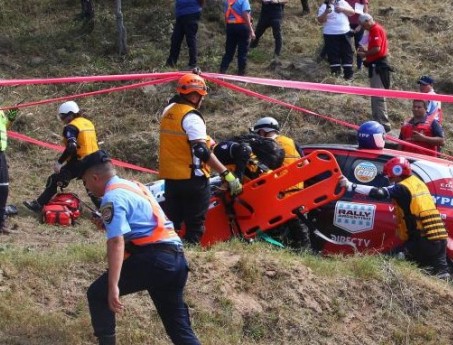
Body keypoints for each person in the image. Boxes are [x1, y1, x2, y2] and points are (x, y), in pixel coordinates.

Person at [80, 150, 200, 345]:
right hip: (176, 259)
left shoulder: (112, 198)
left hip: (154, 259)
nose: (87, 188)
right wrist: (107, 224)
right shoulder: (135, 186)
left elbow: (116, 242)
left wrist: (113, 286)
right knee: (179, 329)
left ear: (95, 177)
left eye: (85, 182)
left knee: (98, 294)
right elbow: (143, 226)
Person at [159, 73, 243, 245]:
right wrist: (226, 174)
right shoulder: (192, 117)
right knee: (194, 228)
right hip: (193, 180)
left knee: (172, 225)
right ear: (195, 95)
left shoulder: (169, 111)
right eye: (201, 96)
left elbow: (185, 137)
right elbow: (201, 151)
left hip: (171, 179)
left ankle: (169, 256)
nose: (202, 100)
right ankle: (190, 260)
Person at [340, 156, 449, 278]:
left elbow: (379, 193)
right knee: (441, 274)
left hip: (421, 241)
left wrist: (351, 186)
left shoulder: (402, 187)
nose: (389, 179)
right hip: (438, 237)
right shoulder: (419, 183)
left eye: (390, 176)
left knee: (392, 263)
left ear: (397, 172)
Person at [24, 101, 101, 212]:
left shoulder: (71, 127)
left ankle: (38, 205)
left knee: (54, 179)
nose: (62, 120)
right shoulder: (88, 123)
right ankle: (104, 212)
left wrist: (60, 162)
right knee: (92, 188)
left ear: (70, 114)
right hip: (96, 159)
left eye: (62, 117)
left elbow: (72, 146)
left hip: (80, 161)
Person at [252, 116, 311, 249]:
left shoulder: (264, 146)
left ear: (262, 131)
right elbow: (306, 164)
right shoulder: (292, 142)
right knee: (302, 239)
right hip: (299, 197)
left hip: (278, 199)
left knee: (276, 239)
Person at [357, 13, 391, 132]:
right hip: (375, 65)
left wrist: (365, 54)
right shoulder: (372, 30)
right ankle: (377, 121)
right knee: (375, 95)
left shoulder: (376, 30)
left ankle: (383, 124)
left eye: (363, 24)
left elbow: (377, 49)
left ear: (367, 21)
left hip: (378, 67)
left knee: (378, 96)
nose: (363, 27)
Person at [316, 0, 356, 80]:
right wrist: (326, 12)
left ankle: (348, 75)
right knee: (333, 54)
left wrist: (343, 9)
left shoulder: (342, 2)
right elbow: (320, 20)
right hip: (330, 34)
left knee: (347, 53)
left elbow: (352, 12)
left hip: (345, 32)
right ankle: (335, 76)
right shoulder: (324, 6)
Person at [219, 0, 255, 75]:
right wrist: (251, 29)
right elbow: (245, 14)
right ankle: (241, 75)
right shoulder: (244, 1)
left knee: (229, 52)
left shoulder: (226, 1)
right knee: (242, 52)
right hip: (242, 27)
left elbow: (226, 14)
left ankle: (221, 72)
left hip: (230, 27)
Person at [166, 0, 205, 69]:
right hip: (180, 15)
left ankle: (193, 64)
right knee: (175, 39)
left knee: (190, 39)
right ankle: (171, 63)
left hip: (192, 13)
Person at [0, 107, 18, 235]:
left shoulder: (1, 111)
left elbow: (4, 127)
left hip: (1, 152)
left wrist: (10, 118)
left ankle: (1, 223)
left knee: (3, 188)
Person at [346, 0, 369, 70]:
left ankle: (359, 66)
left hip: (358, 24)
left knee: (359, 46)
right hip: (346, 25)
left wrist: (360, 25)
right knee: (346, 45)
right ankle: (347, 66)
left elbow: (366, 11)